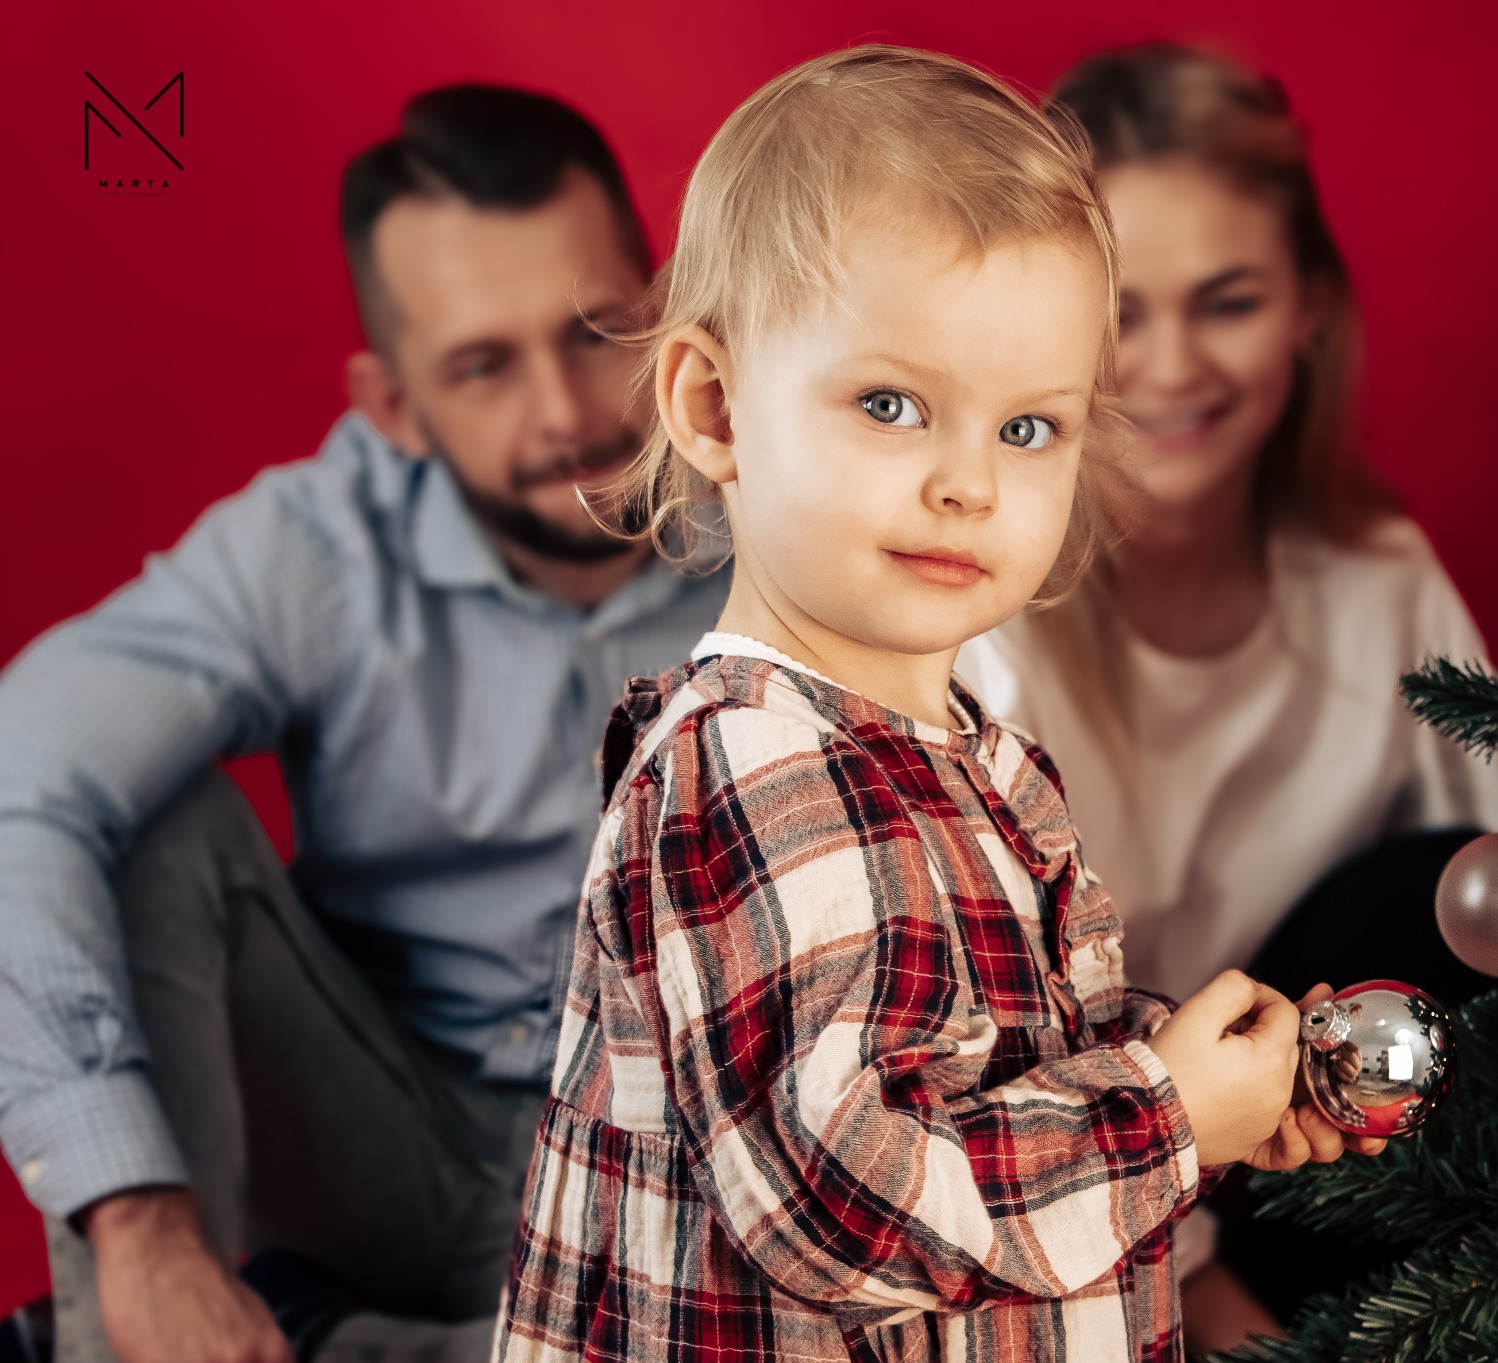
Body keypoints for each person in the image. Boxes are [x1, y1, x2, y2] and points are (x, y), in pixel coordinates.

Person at [493, 46, 1377, 1363]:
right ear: (716, 406)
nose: (970, 482)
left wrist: (1195, 1065)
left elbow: (967, 1065)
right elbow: (843, 1194)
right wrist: (1169, 1109)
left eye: (1028, 429)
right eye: (893, 404)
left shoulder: (966, 754)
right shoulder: (750, 760)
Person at [0, 87, 729, 1363]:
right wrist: (139, 1227)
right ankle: (144, 1339)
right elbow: (21, 771)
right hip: (387, 1138)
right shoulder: (319, 547)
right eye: (482, 366)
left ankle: (348, 1346)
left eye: (592, 331)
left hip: (684, 1169)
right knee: (144, 816)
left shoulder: (789, 487)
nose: (563, 410)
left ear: (664, 309)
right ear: (392, 404)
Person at [954, 45, 1498, 1346]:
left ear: (1308, 307)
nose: (1175, 364)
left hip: (1328, 1170)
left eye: (1230, 299)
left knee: (1445, 887)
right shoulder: (980, 627)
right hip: (1072, 1193)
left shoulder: (1374, 579)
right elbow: (986, 1065)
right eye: (1124, 313)